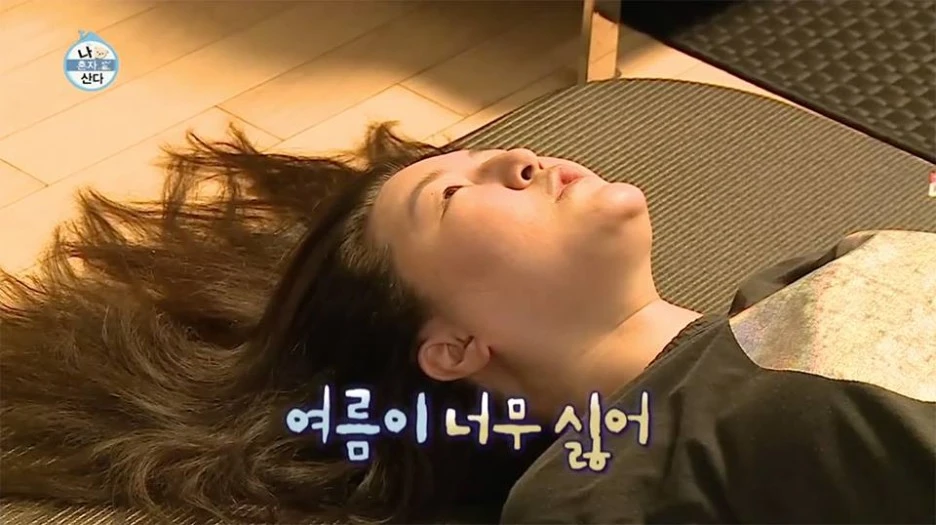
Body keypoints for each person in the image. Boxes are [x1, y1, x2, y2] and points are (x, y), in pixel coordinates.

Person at [0, 124, 932, 524]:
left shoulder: (795, 275)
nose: (519, 158)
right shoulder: (596, 488)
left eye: (485, 154)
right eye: (452, 193)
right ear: (453, 347)